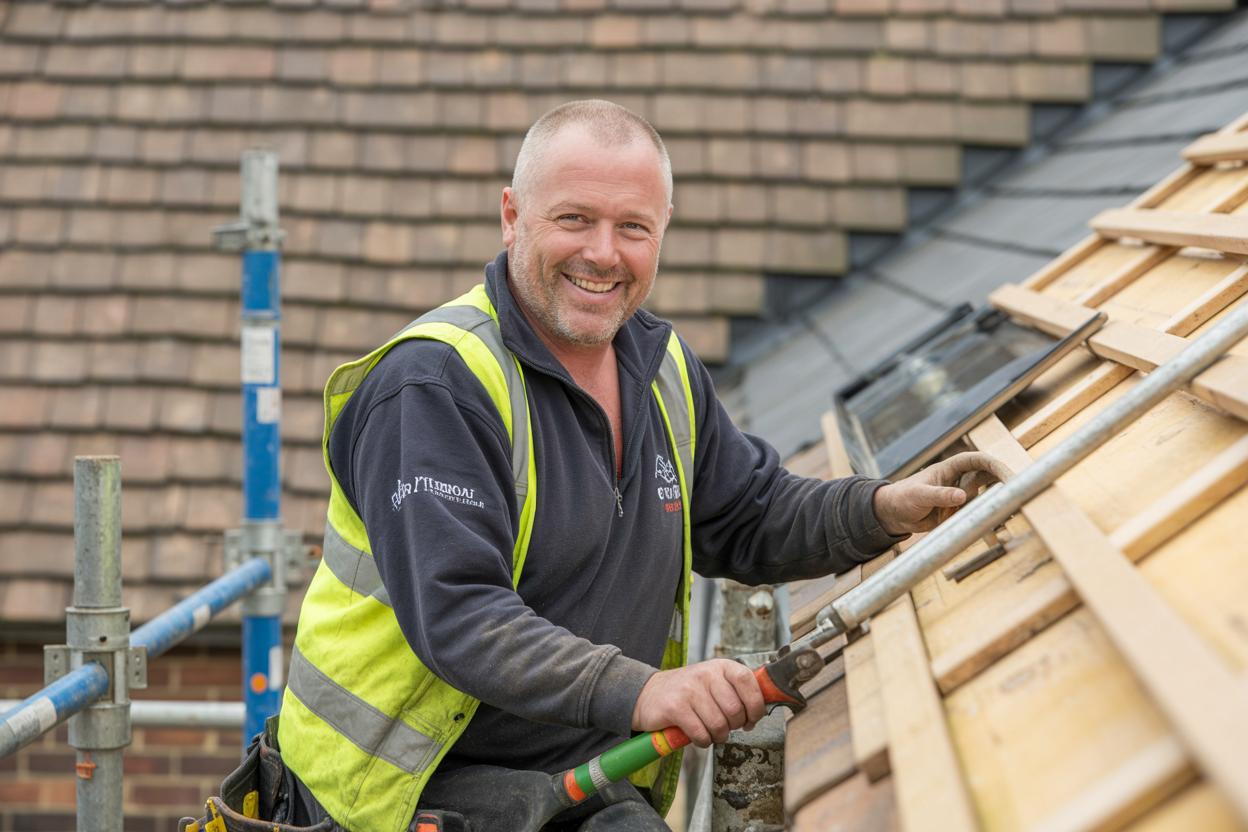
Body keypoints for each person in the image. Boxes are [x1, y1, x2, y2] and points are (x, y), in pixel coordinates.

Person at [275, 100, 1006, 832]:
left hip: (576, 780)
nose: (603, 253)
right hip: (406, 795)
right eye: (573, 220)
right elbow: (461, 615)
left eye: (633, 228)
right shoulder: (437, 387)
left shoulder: (661, 372)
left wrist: (880, 509)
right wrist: (644, 690)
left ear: (663, 231)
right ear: (511, 215)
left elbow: (748, 513)